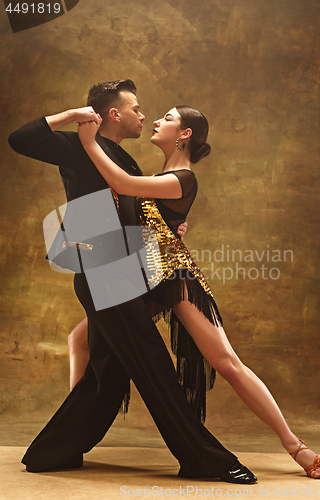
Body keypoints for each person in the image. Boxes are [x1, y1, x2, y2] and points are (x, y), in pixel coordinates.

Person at [8, 80, 257, 483]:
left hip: (121, 271)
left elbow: (140, 214)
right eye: (136, 109)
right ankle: (204, 458)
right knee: (153, 365)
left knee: (108, 373)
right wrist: (73, 116)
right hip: (102, 270)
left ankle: (53, 451)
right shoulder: (77, 145)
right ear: (113, 114)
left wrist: (174, 227)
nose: (143, 115)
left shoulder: (125, 160)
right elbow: (20, 139)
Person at [75, 105, 320, 480]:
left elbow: (123, 185)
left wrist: (88, 143)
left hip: (177, 280)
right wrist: (173, 225)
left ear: (185, 134)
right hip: (144, 280)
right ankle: (74, 431)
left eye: (168, 118)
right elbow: (146, 217)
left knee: (227, 363)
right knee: (80, 339)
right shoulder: (164, 176)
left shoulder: (183, 177)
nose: (156, 121)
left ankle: (295, 445)